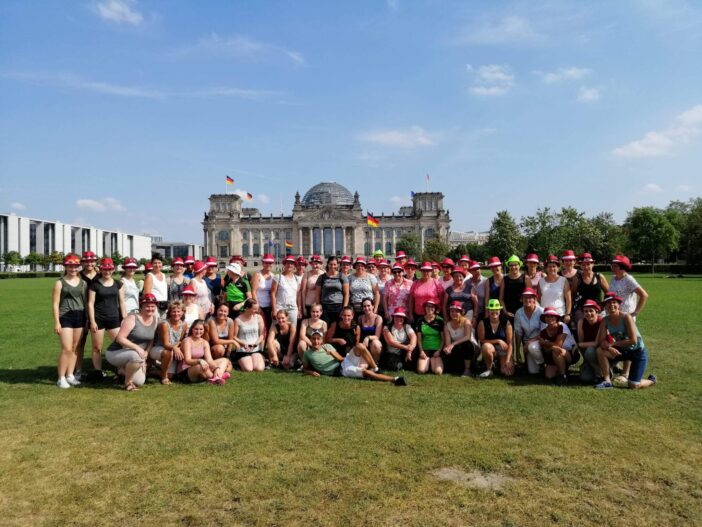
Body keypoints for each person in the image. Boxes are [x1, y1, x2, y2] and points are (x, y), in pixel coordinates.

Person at [594, 293, 657, 390]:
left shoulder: (626, 317)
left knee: (633, 385)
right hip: (623, 350)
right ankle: (607, 381)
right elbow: (601, 341)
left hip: (637, 351)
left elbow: (633, 340)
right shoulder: (605, 320)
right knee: (600, 351)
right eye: (608, 303)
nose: (611, 305)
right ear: (605, 306)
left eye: (614, 302)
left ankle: (651, 380)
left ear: (618, 304)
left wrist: (611, 344)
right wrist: (609, 348)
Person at [302, 330, 406, 386]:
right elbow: (305, 368)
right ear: (310, 339)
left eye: (318, 339)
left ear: (321, 340)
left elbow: (341, 359)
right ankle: (395, 379)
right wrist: (311, 372)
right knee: (366, 372)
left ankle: (376, 368)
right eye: (314, 339)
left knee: (360, 346)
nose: (316, 341)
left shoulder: (327, 346)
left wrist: (332, 353)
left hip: (345, 361)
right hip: (341, 371)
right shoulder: (307, 353)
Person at [106, 293, 159, 391]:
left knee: (140, 381)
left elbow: (151, 339)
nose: (150, 308)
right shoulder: (132, 318)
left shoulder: (155, 320)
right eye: (147, 306)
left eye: (153, 306)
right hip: (116, 352)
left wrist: (146, 353)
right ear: (141, 306)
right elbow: (120, 339)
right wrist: (138, 349)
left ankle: (121, 371)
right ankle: (128, 383)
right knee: (136, 357)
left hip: (137, 354)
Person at [87, 257, 125, 380]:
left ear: (113, 269)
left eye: (109, 269)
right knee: (97, 347)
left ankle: (120, 370)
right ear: (101, 269)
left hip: (114, 318)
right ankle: (98, 371)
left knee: (120, 344)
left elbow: (122, 302)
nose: (107, 271)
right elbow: (90, 303)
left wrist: (124, 318)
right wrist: (92, 321)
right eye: (104, 269)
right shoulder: (94, 284)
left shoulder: (118, 284)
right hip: (98, 319)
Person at [53, 254, 87, 388]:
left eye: (75, 266)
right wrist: (57, 322)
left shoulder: (83, 283)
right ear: (66, 267)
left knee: (75, 348)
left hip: (80, 315)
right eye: (70, 266)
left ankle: (70, 375)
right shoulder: (59, 282)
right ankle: (61, 378)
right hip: (65, 316)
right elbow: (55, 303)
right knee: (66, 348)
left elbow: (85, 302)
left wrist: (87, 319)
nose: (73, 269)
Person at [177, 319, 232, 384]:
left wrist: (216, 368)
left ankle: (216, 378)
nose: (198, 331)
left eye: (201, 329)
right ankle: (218, 377)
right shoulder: (187, 341)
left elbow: (209, 360)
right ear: (192, 329)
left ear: (204, 330)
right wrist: (199, 361)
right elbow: (187, 360)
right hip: (185, 370)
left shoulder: (205, 342)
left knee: (224, 360)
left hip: (200, 366)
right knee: (200, 366)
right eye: (196, 329)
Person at [537, 307, 578, 386]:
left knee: (556, 350)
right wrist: (550, 346)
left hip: (571, 353)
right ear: (544, 318)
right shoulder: (543, 331)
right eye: (547, 316)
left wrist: (545, 343)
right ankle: (563, 369)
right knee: (549, 376)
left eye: (552, 316)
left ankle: (563, 375)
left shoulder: (562, 326)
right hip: (555, 354)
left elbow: (558, 345)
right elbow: (546, 350)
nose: (550, 318)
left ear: (556, 318)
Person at [149, 300, 187, 384]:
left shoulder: (184, 324)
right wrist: (175, 348)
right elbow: (165, 344)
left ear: (183, 312)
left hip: (172, 349)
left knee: (171, 375)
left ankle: (153, 371)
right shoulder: (164, 324)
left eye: (178, 311)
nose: (176, 314)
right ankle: (164, 377)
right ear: (170, 312)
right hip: (159, 348)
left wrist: (177, 347)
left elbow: (180, 340)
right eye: (174, 311)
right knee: (168, 353)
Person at [75, 250, 98, 381]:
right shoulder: (78, 276)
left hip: (97, 313)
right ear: (83, 262)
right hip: (81, 313)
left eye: (92, 261)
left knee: (97, 345)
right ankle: (78, 370)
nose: (89, 263)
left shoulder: (100, 275)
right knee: (79, 344)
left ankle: (97, 370)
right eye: (87, 261)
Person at [477, 299, 514, 378]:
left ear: (500, 311)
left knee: (507, 373)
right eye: (492, 310)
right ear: (488, 311)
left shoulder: (506, 322)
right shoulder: (482, 322)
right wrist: (498, 340)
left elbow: (510, 343)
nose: (494, 312)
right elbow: (482, 340)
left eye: (496, 309)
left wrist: (507, 360)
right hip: (491, 348)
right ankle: (489, 369)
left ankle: (498, 365)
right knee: (486, 346)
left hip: (503, 350)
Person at [513, 288, 545, 374]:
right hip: (528, 343)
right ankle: (540, 364)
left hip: (541, 341)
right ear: (522, 299)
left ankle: (543, 364)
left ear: (535, 299)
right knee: (533, 371)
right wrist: (517, 351)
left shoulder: (541, 311)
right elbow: (518, 333)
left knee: (532, 347)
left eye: (530, 297)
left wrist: (530, 342)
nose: (527, 299)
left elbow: (545, 332)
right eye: (525, 297)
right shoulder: (518, 313)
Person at [572, 252, 608, 323]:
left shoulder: (599, 277)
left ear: (592, 264)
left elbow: (608, 293)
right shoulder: (577, 279)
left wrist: (604, 305)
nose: (586, 267)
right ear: (580, 266)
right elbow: (573, 294)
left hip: (598, 309)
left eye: (588, 264)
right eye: (583, 265)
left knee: (602, 325)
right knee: (581, 324)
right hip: (582, 310)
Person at [443, 301, 477, 376]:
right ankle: (456, 368)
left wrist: (453, 344)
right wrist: (448, 348)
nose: (454, 313)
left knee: (467, 344)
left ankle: (467, 369)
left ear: (461, 312)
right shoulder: (447, 325)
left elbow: (467, 337)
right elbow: (448, 342)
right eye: (452, 311)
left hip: (471, 347)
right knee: (446, 350)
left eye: (456, 311)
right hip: (458, 346)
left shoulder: (466, 321)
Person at [232, 298, 266, 372]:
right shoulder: (238, 320)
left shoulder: (259, 317)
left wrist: (255, 344)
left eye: (257, 309)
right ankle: (238, 360)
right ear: (247, 308)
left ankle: (258, 357)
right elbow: (234, 337)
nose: (256, 311)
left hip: (255, 347)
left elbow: (262, 335)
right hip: (243, 349)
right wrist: (244, 344)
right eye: (254, 309)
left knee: (259, 368)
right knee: (248, 369)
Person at [537, 255, 572, 323]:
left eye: (554, 266)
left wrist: (567, 314)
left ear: (558, 268)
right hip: (545, 315)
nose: (552, 268)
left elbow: (568, 300)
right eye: (549, 266)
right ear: (546, 268)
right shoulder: (541, 281)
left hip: (560, 314)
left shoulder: (564, 280)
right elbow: (538, 299)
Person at [315, 256, 349, 324]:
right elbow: (317, 294)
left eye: (334, 264)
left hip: (338, 307)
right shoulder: (322, 277)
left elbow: (346, 294)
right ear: (327, 264)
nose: (332, 266)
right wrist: (319, 307)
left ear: (337, 265)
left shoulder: (342, 276)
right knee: (325, 326)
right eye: (330, 264)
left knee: (337, 326)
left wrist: (344, 308)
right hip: (325, 306)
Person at [414, 300, 445, 374]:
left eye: (432, 307)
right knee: (421, 371)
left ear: (435, 309)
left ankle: (431, 361)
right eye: (428, 306)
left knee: (438, 372)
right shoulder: (420, 320)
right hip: (425, 349)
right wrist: (421, 351)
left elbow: (443, 339)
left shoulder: (440, 320)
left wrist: (439, 351)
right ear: (425, 308)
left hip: (437, 349)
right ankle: (429, 361)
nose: (430, 308)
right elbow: (419, 339)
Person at [576, 300, 604, 383]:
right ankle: (588, 365)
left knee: (590, 350)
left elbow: (596, 343)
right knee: (585, 378)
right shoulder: (581, 322)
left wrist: (578, 345)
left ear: (597, 312)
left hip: (601, 352)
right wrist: (580, 345)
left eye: (591, 311)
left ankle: (601, 371)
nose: (588, 313)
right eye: (585, 311)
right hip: (588, 354)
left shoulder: (602, 322)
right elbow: (581, 342)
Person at [381, 307, 416, 371]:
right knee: (393, 367)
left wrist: (409, 351)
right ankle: (403, 365)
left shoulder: (407, 326)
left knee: (414, 350)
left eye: (401, 316)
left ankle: (405, 363)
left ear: (404, 318)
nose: (399, 318)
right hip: (392, 353)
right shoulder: (387, 328)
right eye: (397, 316)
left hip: (404, 352)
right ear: (393, 317)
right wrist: (406, 347)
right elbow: (391, 342)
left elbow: (414, 337)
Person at [271, 255, 302, 326]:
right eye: (288, 263)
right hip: (280, 307)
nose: (290, 265)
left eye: (292, 264)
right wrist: (274, 310)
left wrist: (299, 309)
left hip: (293, 308)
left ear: (294, 266)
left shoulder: (297, 279)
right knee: (278, 328)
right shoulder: (278, 277)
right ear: (284, 264)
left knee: (293, 328)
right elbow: (272, 294)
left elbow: (298, 295)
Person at [295, 303, 328, 367]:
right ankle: (304, 363)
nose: (315, 314)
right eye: (313, 311)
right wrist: (312, 344)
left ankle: (315, 364)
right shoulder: (305, 321)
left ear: (321, 312)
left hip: (319, 346)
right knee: (301, 344)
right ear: (310, 312)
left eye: (317, 312)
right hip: (308, 344)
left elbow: (324, 339)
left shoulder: (324, 324)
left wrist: (318, 346)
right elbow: (302, 335)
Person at [250, 253, 275, 330]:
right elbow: (253, 291)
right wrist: (257, 306)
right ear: (263, 263)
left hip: (269, 306)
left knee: (269, 326)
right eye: (266, 262)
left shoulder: (273, 276)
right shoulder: (257, 275)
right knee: (261, 328)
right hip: (260, 306)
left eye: (270, 263)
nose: (268, 264)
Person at [142, 254, 169, 318]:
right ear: (151, 264)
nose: (157, 265)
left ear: (162, 264)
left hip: (164, 306)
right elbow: (147, 295)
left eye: (159, 263)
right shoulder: (149, 276)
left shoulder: (163, 275)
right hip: (154, 307)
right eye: (155, 263)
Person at [357, 297, 383, 362]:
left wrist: (368, 338)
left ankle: (375, 363)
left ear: (373, 306)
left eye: (368, 306)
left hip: (374, 343)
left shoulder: (378, 318)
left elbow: (377, 336)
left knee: (376, 343)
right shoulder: (360, 318)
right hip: (363, 344)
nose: (366, 308)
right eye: (364, 306)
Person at [301, 254, 323, 318]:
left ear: (320, 264)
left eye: (316, 264)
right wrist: (303, 307)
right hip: (309, 304)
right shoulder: (307, 274)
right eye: (313, 264)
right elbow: (303, 291)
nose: (314, 266)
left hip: (320, 304)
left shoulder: (324, 274)